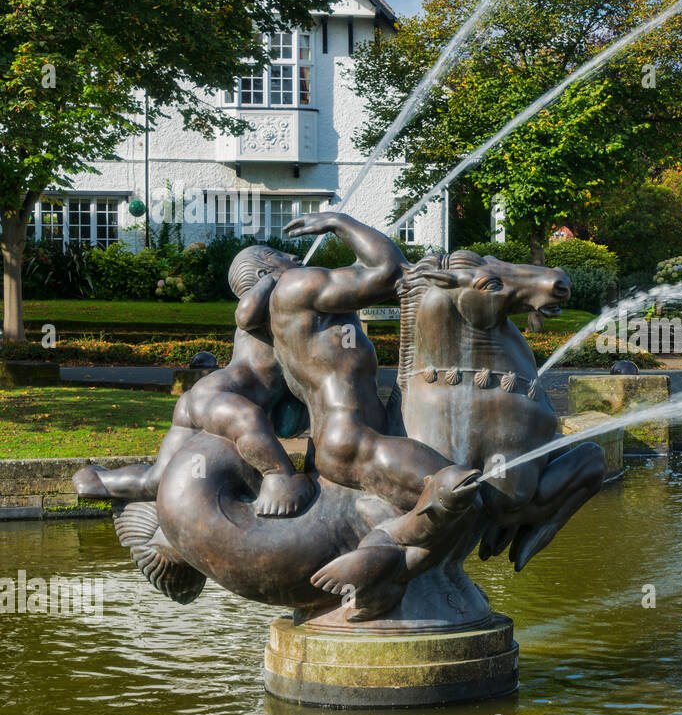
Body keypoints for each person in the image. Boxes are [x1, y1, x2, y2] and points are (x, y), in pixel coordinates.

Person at [265, 212, 481, 615]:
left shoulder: (293, 316)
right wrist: (337, 220)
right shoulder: (296, 285)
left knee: (462, 499)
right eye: (280, 255)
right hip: (355, 439)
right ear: (269, 271)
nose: (294, 257)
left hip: (352, 436)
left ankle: (401, 571)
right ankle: (383, 566)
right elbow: (387, 269)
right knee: (462, 491)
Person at [74, 245, 315, 517]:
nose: (295, 257)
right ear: (263, 274)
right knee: (248, 419)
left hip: (199, 400)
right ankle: (279, 476)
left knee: (157, 480)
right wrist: (273, 281)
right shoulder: (261, 302)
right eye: (280, 258)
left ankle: (99, 481)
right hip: (222, 397)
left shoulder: (284, 309)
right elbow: (244, 315)